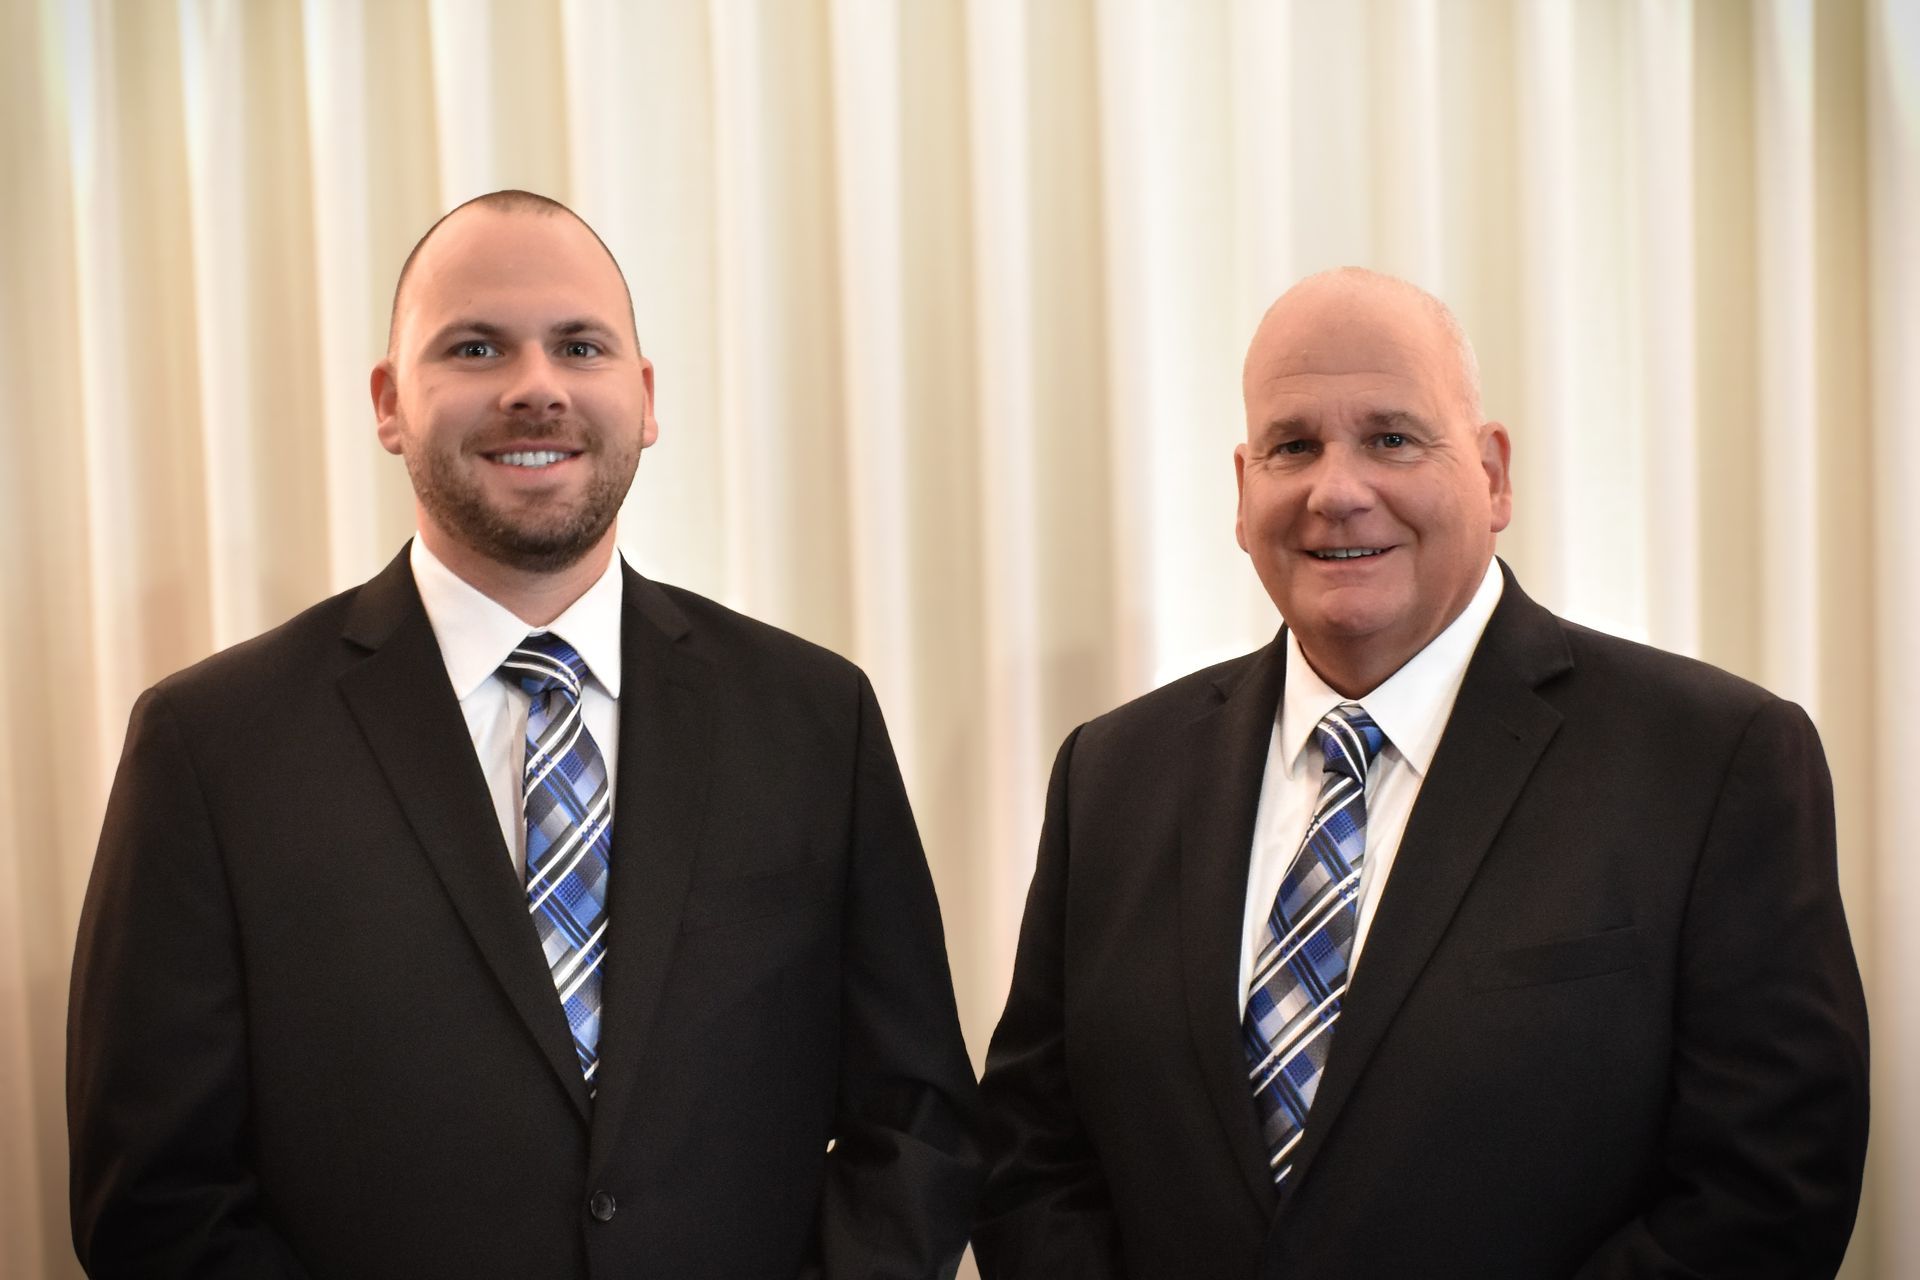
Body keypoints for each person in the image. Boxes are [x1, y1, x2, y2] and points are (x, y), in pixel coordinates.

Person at [68, 189, 980, 1279]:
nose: (535, 385)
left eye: (579, 345)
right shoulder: (210, 748)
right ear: (390, 401)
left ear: (644, 399)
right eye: (475, 346)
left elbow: (918, 1120)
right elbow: (156, 1196)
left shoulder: (815, 718)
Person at [973, 268, 1869, 1278]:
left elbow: (1769, 1187)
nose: (1338, 488)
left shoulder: (1713, 760)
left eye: (1392, 437)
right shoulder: (1112, 772)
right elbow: (1029, 1152)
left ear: (1492, 475)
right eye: (1294, 444)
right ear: (1241, 488)